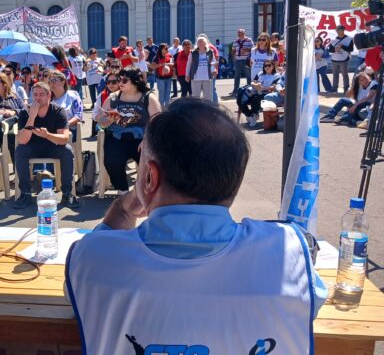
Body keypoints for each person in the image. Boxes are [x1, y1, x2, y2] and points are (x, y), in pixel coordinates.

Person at [66, 99, 327, 354]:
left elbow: (74, 290)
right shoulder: (288, 253)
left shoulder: (91, 258)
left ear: (149, 176)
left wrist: (123, 209)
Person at [13, 82, 79, 209]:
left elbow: (65, 139)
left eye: (41, 94)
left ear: (49, 95)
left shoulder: (58, 111)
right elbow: (22, 140)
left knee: (67, 150)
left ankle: (67, 193)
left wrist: (47, 135)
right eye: (35, 95)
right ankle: (25, 193)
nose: (37, 98)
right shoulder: (25, 112)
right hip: (32, 147)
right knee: (20, 150)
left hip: (52, 146)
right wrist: (32, 116)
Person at [97, 69, 161, 194]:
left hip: (141, 138)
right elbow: (100, 121)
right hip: (117, 137)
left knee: (151, 164)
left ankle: (148, 191)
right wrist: (108, 120)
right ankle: (122, 191)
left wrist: (148, 140)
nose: (120, 82)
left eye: (124, 80)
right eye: (119, 79)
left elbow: (158, 123)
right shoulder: (113, 98)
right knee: (112, 161)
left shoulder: (148, 98)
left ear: (135, 81)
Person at [238, 60, 281, 128]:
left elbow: (274, 87)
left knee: (256, 97)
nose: (267, 67)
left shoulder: (276, 76)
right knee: (240, 96)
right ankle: (250, 115)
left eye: (269, 65)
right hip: (256, 91)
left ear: (273, 66)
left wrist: (262, 88)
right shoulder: (260, 73)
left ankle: (253, 115)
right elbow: (253, 82)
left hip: (267, 93)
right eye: (265, 66)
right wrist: (255, 85)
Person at [49, 70, 84, 139]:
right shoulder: (48, 98)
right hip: (51, 130)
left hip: (68, 129)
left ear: (63, 82)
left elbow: (78, 115)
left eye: (55, 80)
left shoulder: (72, 95)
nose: (52, 83)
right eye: (50, 80)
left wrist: (65, 125)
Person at [186, 36, 218, 101]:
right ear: (197, 44)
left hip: (207, 77)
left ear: (205, 43)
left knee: (208, 97)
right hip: (196, 77)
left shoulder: (210, 52)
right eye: (199, 42)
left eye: (202, 42)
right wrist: (187, 75)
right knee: (195, 97)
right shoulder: (193, 52)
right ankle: (195, 110)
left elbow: (213, 62)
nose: (200, 43)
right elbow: (188, 64)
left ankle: (207, 110)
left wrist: (214, 69)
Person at [91, 71, 120, 137]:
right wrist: (106, 119)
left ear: (120, 82)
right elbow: (95, 115)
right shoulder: (102, 95)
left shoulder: (127, 95)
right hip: (106, 129)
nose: (110, 84)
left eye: (114, 82)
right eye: (108, 82)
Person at [329, 25, 355, 93]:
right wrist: (335, 49)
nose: (337, 31)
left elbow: (351, 49)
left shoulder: (349, 39)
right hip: (334, 59)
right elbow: (330, 50)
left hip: (344, 59)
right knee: (335, 75)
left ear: (343, 30)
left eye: (339, 30)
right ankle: (334, 88)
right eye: (337, 30)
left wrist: (342, 46)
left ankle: (346, 89)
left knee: (345, 75)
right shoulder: (334, 39)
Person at [230, 28, 254, 94]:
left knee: (248, 76)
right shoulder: (235, 41)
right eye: (238, 33)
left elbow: (253, 48)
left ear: (244, 33)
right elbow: (233, 50)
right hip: (238, 60)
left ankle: (249, 89)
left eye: (241, 33)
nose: (240, 34)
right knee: (237, 76)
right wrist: (233, 55)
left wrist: (246, 49)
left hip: (246, 60)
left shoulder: (249, 40)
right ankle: (235, 90)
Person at [152, 43, 174, 108]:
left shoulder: (169, 55)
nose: (167, 49)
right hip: (160, 78)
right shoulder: (156, 57)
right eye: (166, 48)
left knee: (168, 93)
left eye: (167, 48)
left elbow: (173, 64)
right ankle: (160, 108)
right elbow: (152, 66)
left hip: (169, 78)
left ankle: (167, 107)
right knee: (161, 94)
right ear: (161, 49)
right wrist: (161, 65)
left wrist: (167, 64)